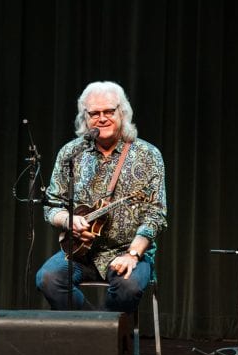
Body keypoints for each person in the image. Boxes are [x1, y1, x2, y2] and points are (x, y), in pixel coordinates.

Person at [36, 81, 167, 313]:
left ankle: (103, 331)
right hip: (80, 254)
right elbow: (52, 205)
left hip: (128, 250)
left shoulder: (148, 155)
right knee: (47, 279)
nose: (102, 118)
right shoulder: (71, 153)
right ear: (84, 117)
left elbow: (155, 215)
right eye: (94, 113)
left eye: (109, 112)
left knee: (129, 287)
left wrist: (133, 254)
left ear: (122, 113)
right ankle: (97, 328)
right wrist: (67, 220)